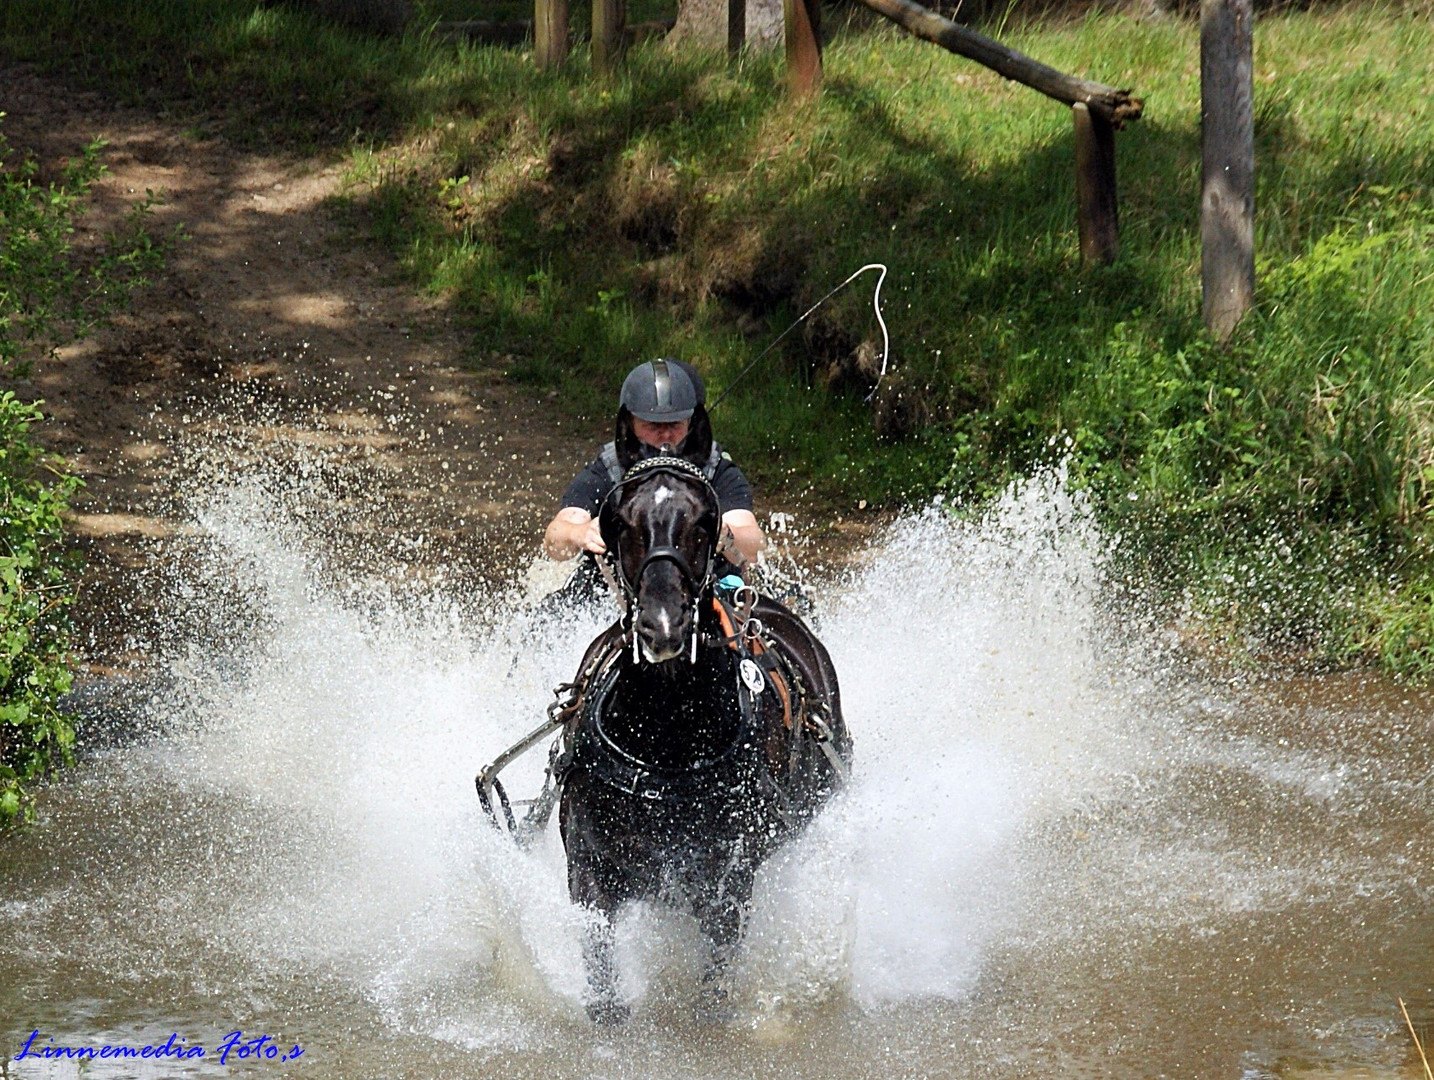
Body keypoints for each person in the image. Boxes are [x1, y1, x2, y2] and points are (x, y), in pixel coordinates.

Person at [544, 359, 764, 587]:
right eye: (652, 426)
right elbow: (555, 537)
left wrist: (725, 535)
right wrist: (579, 533)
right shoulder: (607, 470)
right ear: (630, 424)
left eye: (675, 425)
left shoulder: (716, 469)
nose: (665, 436)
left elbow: (753, 541)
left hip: (703, 586)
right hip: (615, 589)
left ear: (691, 422)